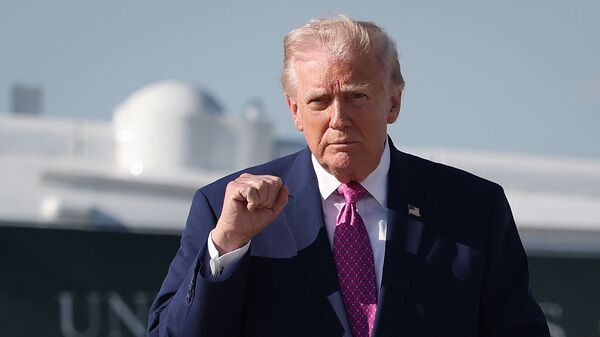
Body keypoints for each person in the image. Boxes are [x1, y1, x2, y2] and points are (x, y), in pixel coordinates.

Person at [148, 15, 550, 337]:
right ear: (294, 112)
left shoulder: (473, 207)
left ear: (393, 102)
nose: (338, 119)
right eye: (319, 101)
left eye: (357, 96)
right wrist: (228, 244)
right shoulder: (225, 207)